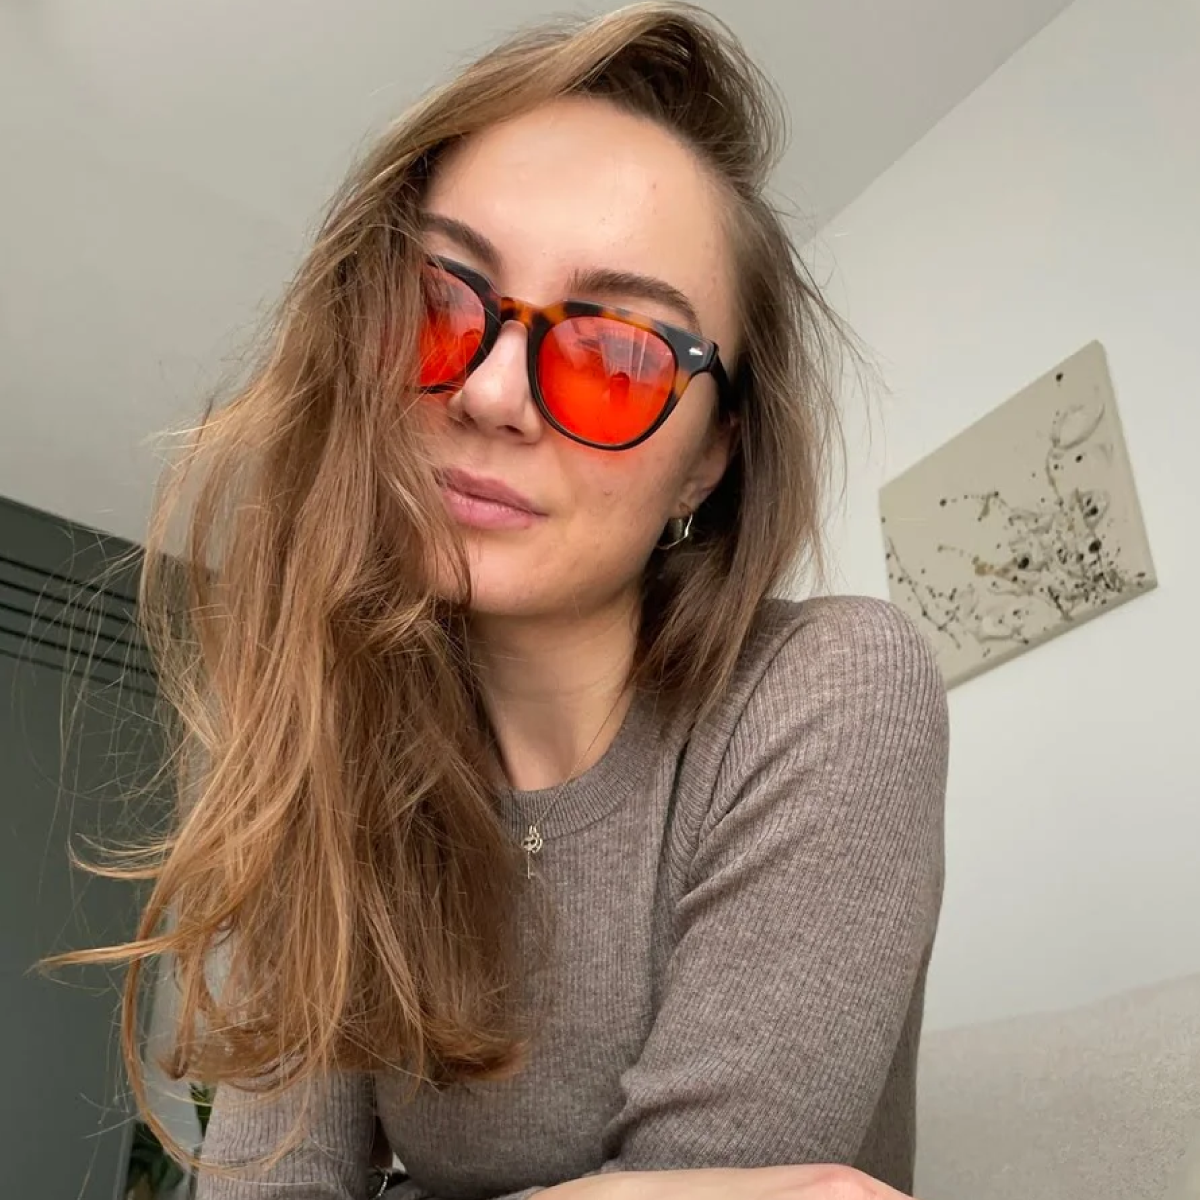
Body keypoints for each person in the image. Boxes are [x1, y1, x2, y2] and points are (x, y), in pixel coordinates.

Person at [80, 3, 949, 1198]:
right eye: (438, 300)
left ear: (709, 459)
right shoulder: (336, 746)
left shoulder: (833, 691)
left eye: (618, 354)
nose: (490, 393)